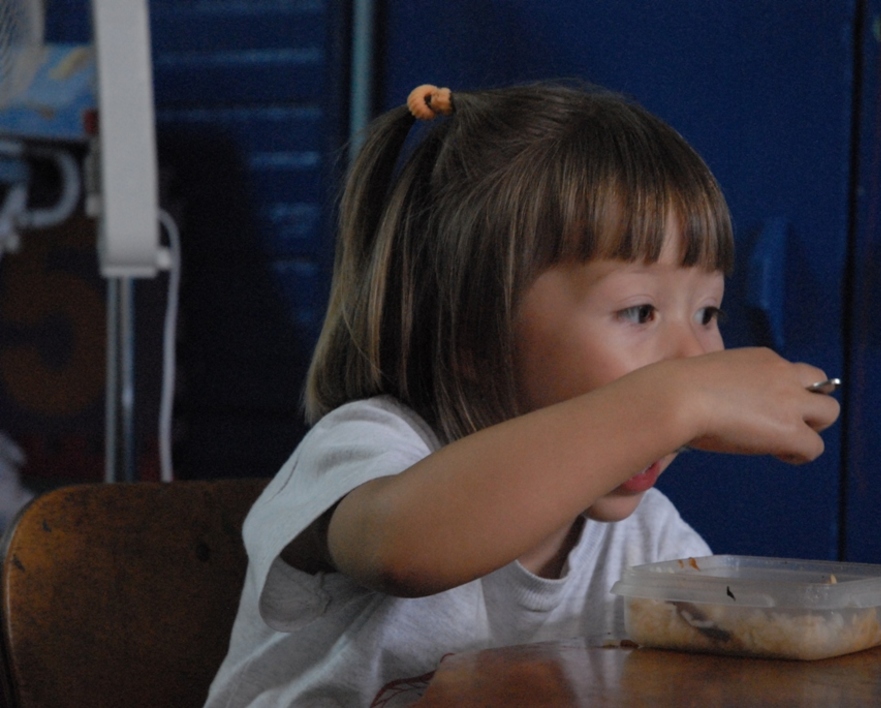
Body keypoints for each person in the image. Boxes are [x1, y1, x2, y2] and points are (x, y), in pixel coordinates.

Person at [206, 82, 840, 707]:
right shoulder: (369, 447)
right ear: (471, 333)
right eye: (640, 310)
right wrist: (674, 402)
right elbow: (403, 550)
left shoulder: (648, 542)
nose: (695, 359)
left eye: (708, 313)